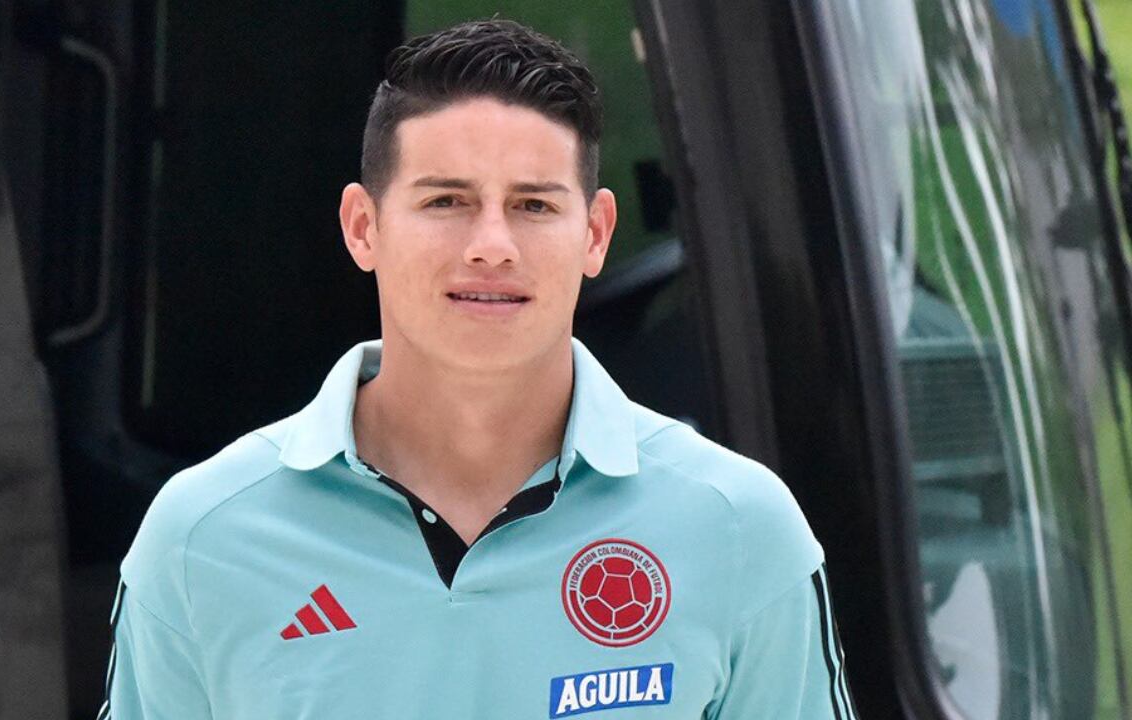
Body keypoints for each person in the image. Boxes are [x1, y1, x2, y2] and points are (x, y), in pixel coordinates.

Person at [98, 18, 859, 719]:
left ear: (596, 234)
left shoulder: (737, 528)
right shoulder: (202, 536)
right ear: (363, 227)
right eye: (447, 201)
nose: (492, 245)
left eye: (533, 206)